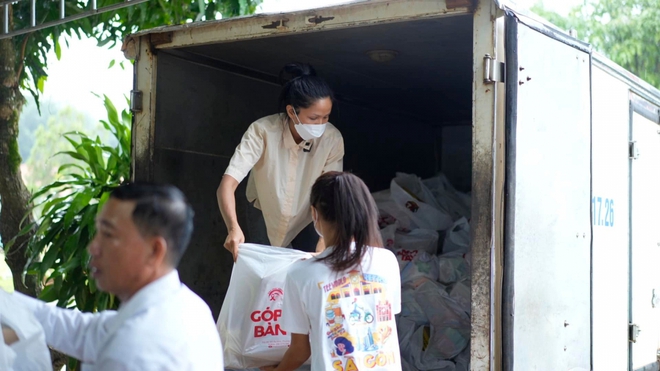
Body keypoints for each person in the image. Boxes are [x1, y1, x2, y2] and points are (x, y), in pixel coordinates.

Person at [4, 183, 224, 370]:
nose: (93, 247)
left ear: (155, 251)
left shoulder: (134, 349)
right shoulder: (190, 308)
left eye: (108, 234)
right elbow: (77, 329)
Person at [261, 172, 402, 371]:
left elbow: (301, 350)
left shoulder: (301, 273)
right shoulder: (387, 261)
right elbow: (386, 321)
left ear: (314, 214)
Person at [218, 63, 344, 260]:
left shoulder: (332, 139)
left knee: (309, 271)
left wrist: (324, 237)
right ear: (292, 112)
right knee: (265, 274)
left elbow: (331, 193)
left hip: (309, 215)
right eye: (313, 117)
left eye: (325, 117)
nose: (321, 124)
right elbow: (227, 185)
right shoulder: (262, 131)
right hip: (263, 210)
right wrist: (233, 228)